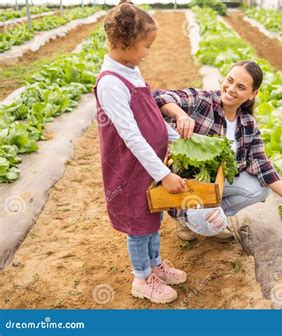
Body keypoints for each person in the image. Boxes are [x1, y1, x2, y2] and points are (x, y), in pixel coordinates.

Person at [153, 60, 282, 242]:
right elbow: (160, 97)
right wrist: (181, 115)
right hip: (184, 185)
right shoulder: (203, 102)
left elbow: (263, 165)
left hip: (216, 184)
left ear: (252, 94)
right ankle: (188, 220)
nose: (231, 89)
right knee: (206, 223)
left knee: (260, 190)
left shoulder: (247, 123)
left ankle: (213, 214)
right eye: (229, 81)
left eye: (241, 87)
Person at [94, 0, 187, 304]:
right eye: (146, 45)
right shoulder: (110, 83)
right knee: (138, 224)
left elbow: (152, 118)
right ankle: (141, 277)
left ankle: (155, 264)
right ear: (125, 43)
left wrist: (176, 138)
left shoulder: (131, 70)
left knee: (153, 215)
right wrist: (164, 174)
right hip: (130, 168)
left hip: (149, 163)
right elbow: (132, 135)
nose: (149, 51)